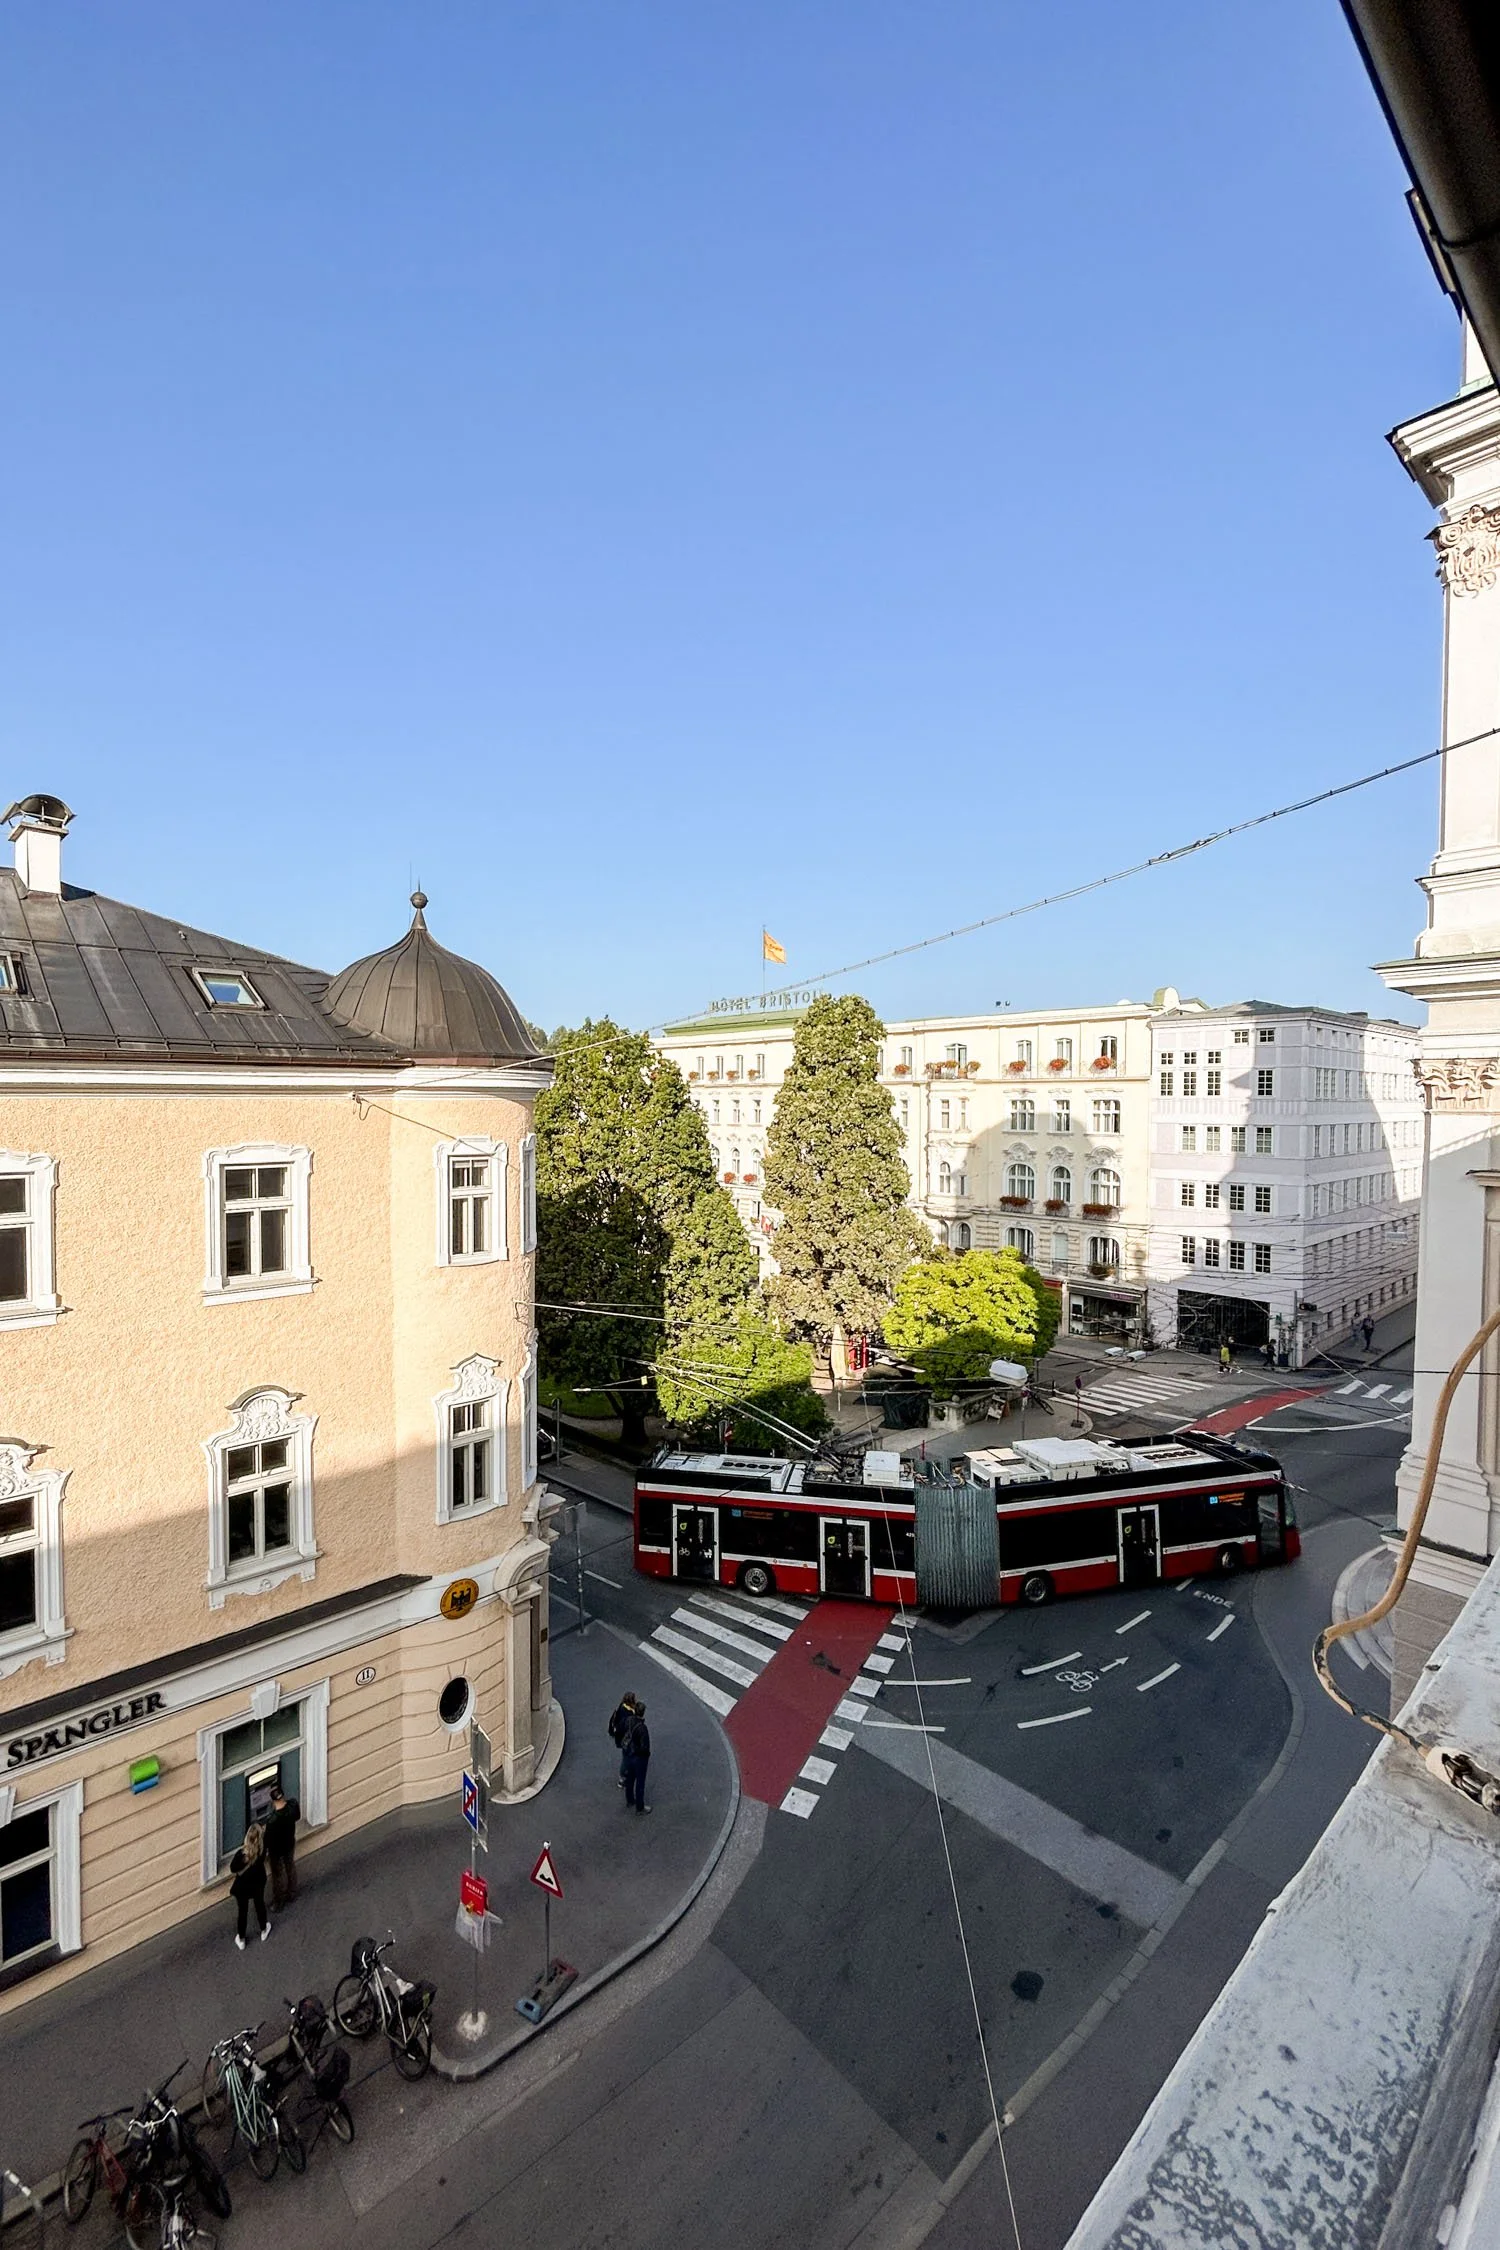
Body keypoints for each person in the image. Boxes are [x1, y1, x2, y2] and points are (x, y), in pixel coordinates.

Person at [229, 1823, 271, 1950]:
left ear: (247, 1837)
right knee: (259, 1905)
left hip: (242, 1887)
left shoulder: (241, 1855)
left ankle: (241, 1939)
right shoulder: (261, 1851)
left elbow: (232, 1869)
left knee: (243, 1912)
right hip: (258, 1882)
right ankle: (264, 1929)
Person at [265, 1785, 301, 1908]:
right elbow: (297, 1817)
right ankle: (292, 1893)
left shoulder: (272, 1820)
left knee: (277, 1875)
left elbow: (268, 1840)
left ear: (272, 1800)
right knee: (290, 1867)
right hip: (289, 1843)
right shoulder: (293, 1805)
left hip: (276, 1851)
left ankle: (278, 1901)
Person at [623, 1699, 651, 1814]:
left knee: (630, 1779)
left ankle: (630, 1800)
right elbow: (645, 1747)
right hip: (639, 1758)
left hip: (629, 1753)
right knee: (640, 1782)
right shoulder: (642, 1728)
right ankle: (640, 1807)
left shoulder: (629, 1720)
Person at [608, 1693, 640, 1789]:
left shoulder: (622, 1707)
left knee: (626, 1756)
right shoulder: (629, 1714)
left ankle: (625, 1775)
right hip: (627, 1740)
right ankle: (623, 1778)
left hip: (622, 1739)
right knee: (626, 1758)